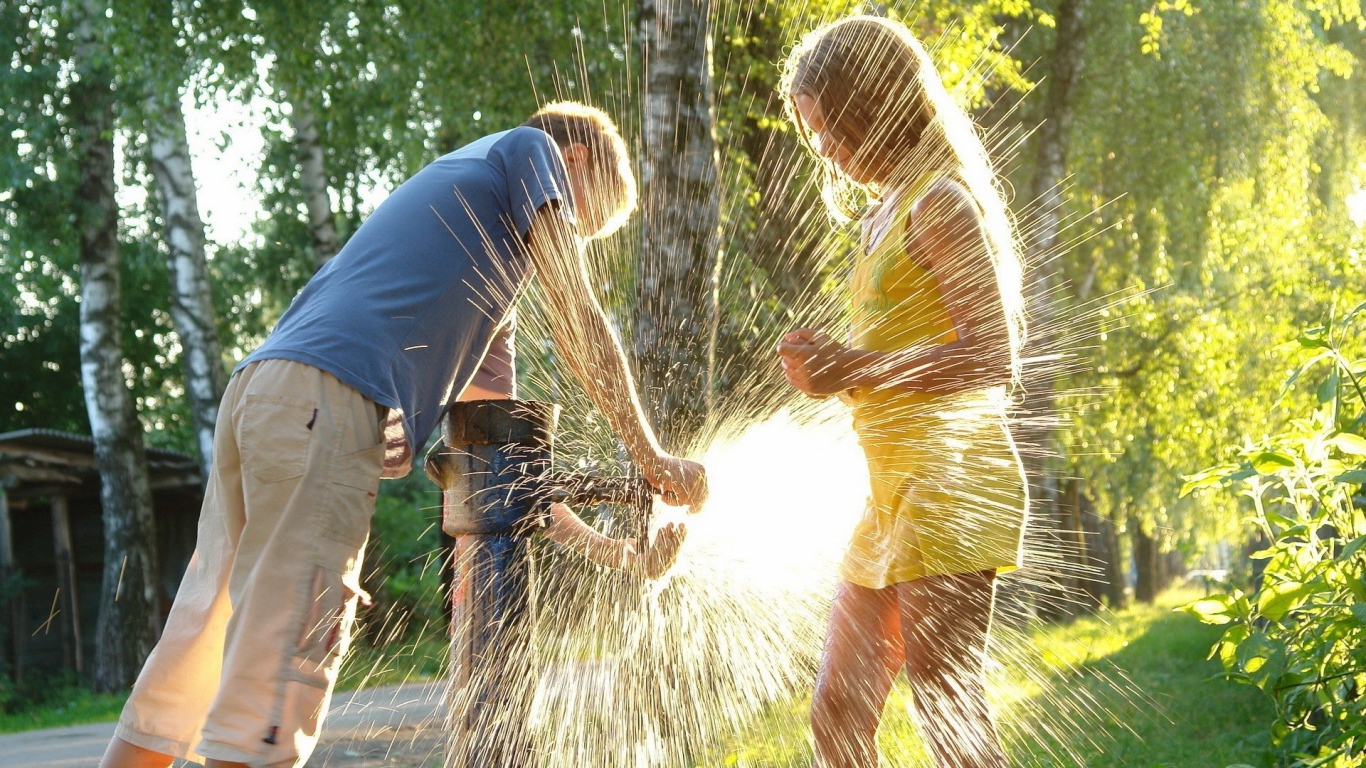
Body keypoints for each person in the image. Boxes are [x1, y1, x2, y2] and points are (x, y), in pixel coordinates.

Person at [100, 101, 706, 768]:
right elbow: (579, 314)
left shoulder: (480, 259)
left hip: (266, 392)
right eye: (580, 221)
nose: (567, 238)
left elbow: (501, 476)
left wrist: (619, 554)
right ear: (576, 162)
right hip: (325, 401)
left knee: (203, 638)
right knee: (281, 663)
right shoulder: (528, 152)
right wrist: (651, 455)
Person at [773, 16, 1028, 768]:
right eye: (819, 139)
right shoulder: (880, 216)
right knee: (838, 711)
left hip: (953, 481)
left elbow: (992, 355)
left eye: (840, 132)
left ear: (884, 105)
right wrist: (828, 366)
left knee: (945, 701)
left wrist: (851, 368)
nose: (832, 154)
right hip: (890, 491)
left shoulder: (938, 203)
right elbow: (888, 353)